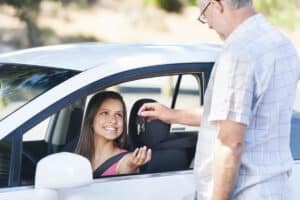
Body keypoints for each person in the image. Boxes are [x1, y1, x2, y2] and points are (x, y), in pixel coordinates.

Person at [138, 0, 300, 199]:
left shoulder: (238, 53)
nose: (209, 25)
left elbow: (230, 143)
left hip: (247, 192)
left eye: (204, 14)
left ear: (218, 4)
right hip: (277, 189)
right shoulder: (282, 44)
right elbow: (238, 115)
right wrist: (171, 115)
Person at [76, 91, 151, 177]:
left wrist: (131, 167)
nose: (113, 120)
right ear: (91, 119)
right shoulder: (77, 155)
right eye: (105, 113)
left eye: (118, 115)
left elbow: (127, 166)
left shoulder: (126, 159)